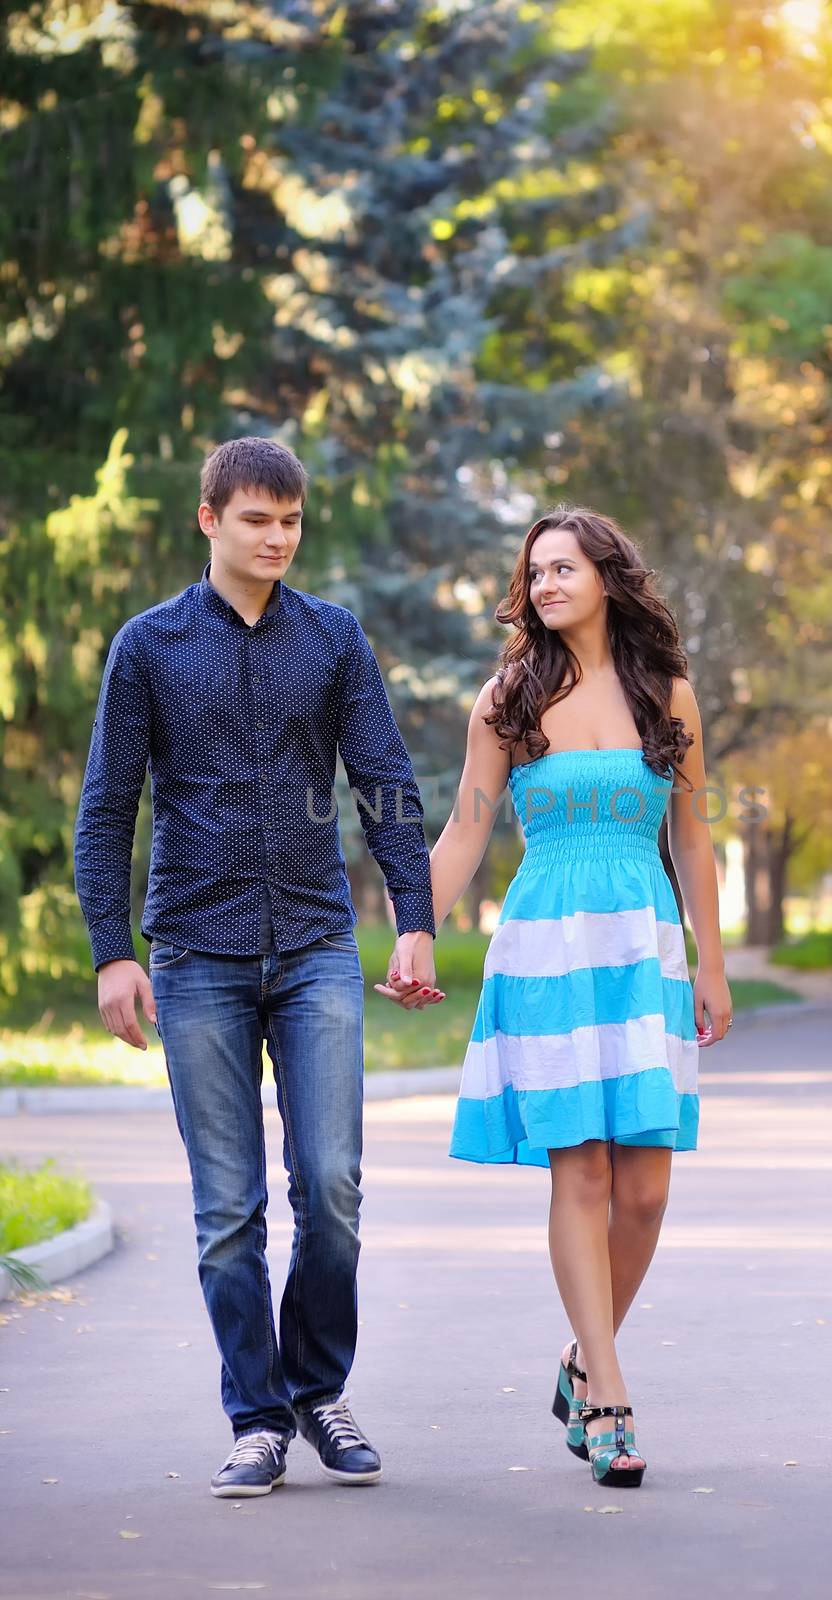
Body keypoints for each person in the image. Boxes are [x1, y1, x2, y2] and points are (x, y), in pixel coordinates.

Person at [73, 436, 441, 1498]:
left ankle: (319, 1390)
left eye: (290, 520)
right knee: (227, 1209)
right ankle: (258, 1415)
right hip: (194, 953)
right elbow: (108, 808)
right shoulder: (148, 646)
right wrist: (113, 954)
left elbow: (384, 778)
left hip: (317, 944)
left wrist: (412, 915)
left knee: (330, 1188)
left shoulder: (332, 638)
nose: (276, 537)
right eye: (256, 519)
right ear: (210, 520)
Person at [376, 505, 732, 1490]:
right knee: (580, 1174)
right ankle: (611, 1397)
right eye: (534, 572)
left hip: (641, 945)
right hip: (545, 947)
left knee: (648, 1187)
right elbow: (463, 830)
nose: (545, 585)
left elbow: (695, 839)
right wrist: (418, 926)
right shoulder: (507, 698)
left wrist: (711, 960)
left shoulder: (669, 695)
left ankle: (581, 1359)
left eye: (564, 568)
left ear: (609, 578)